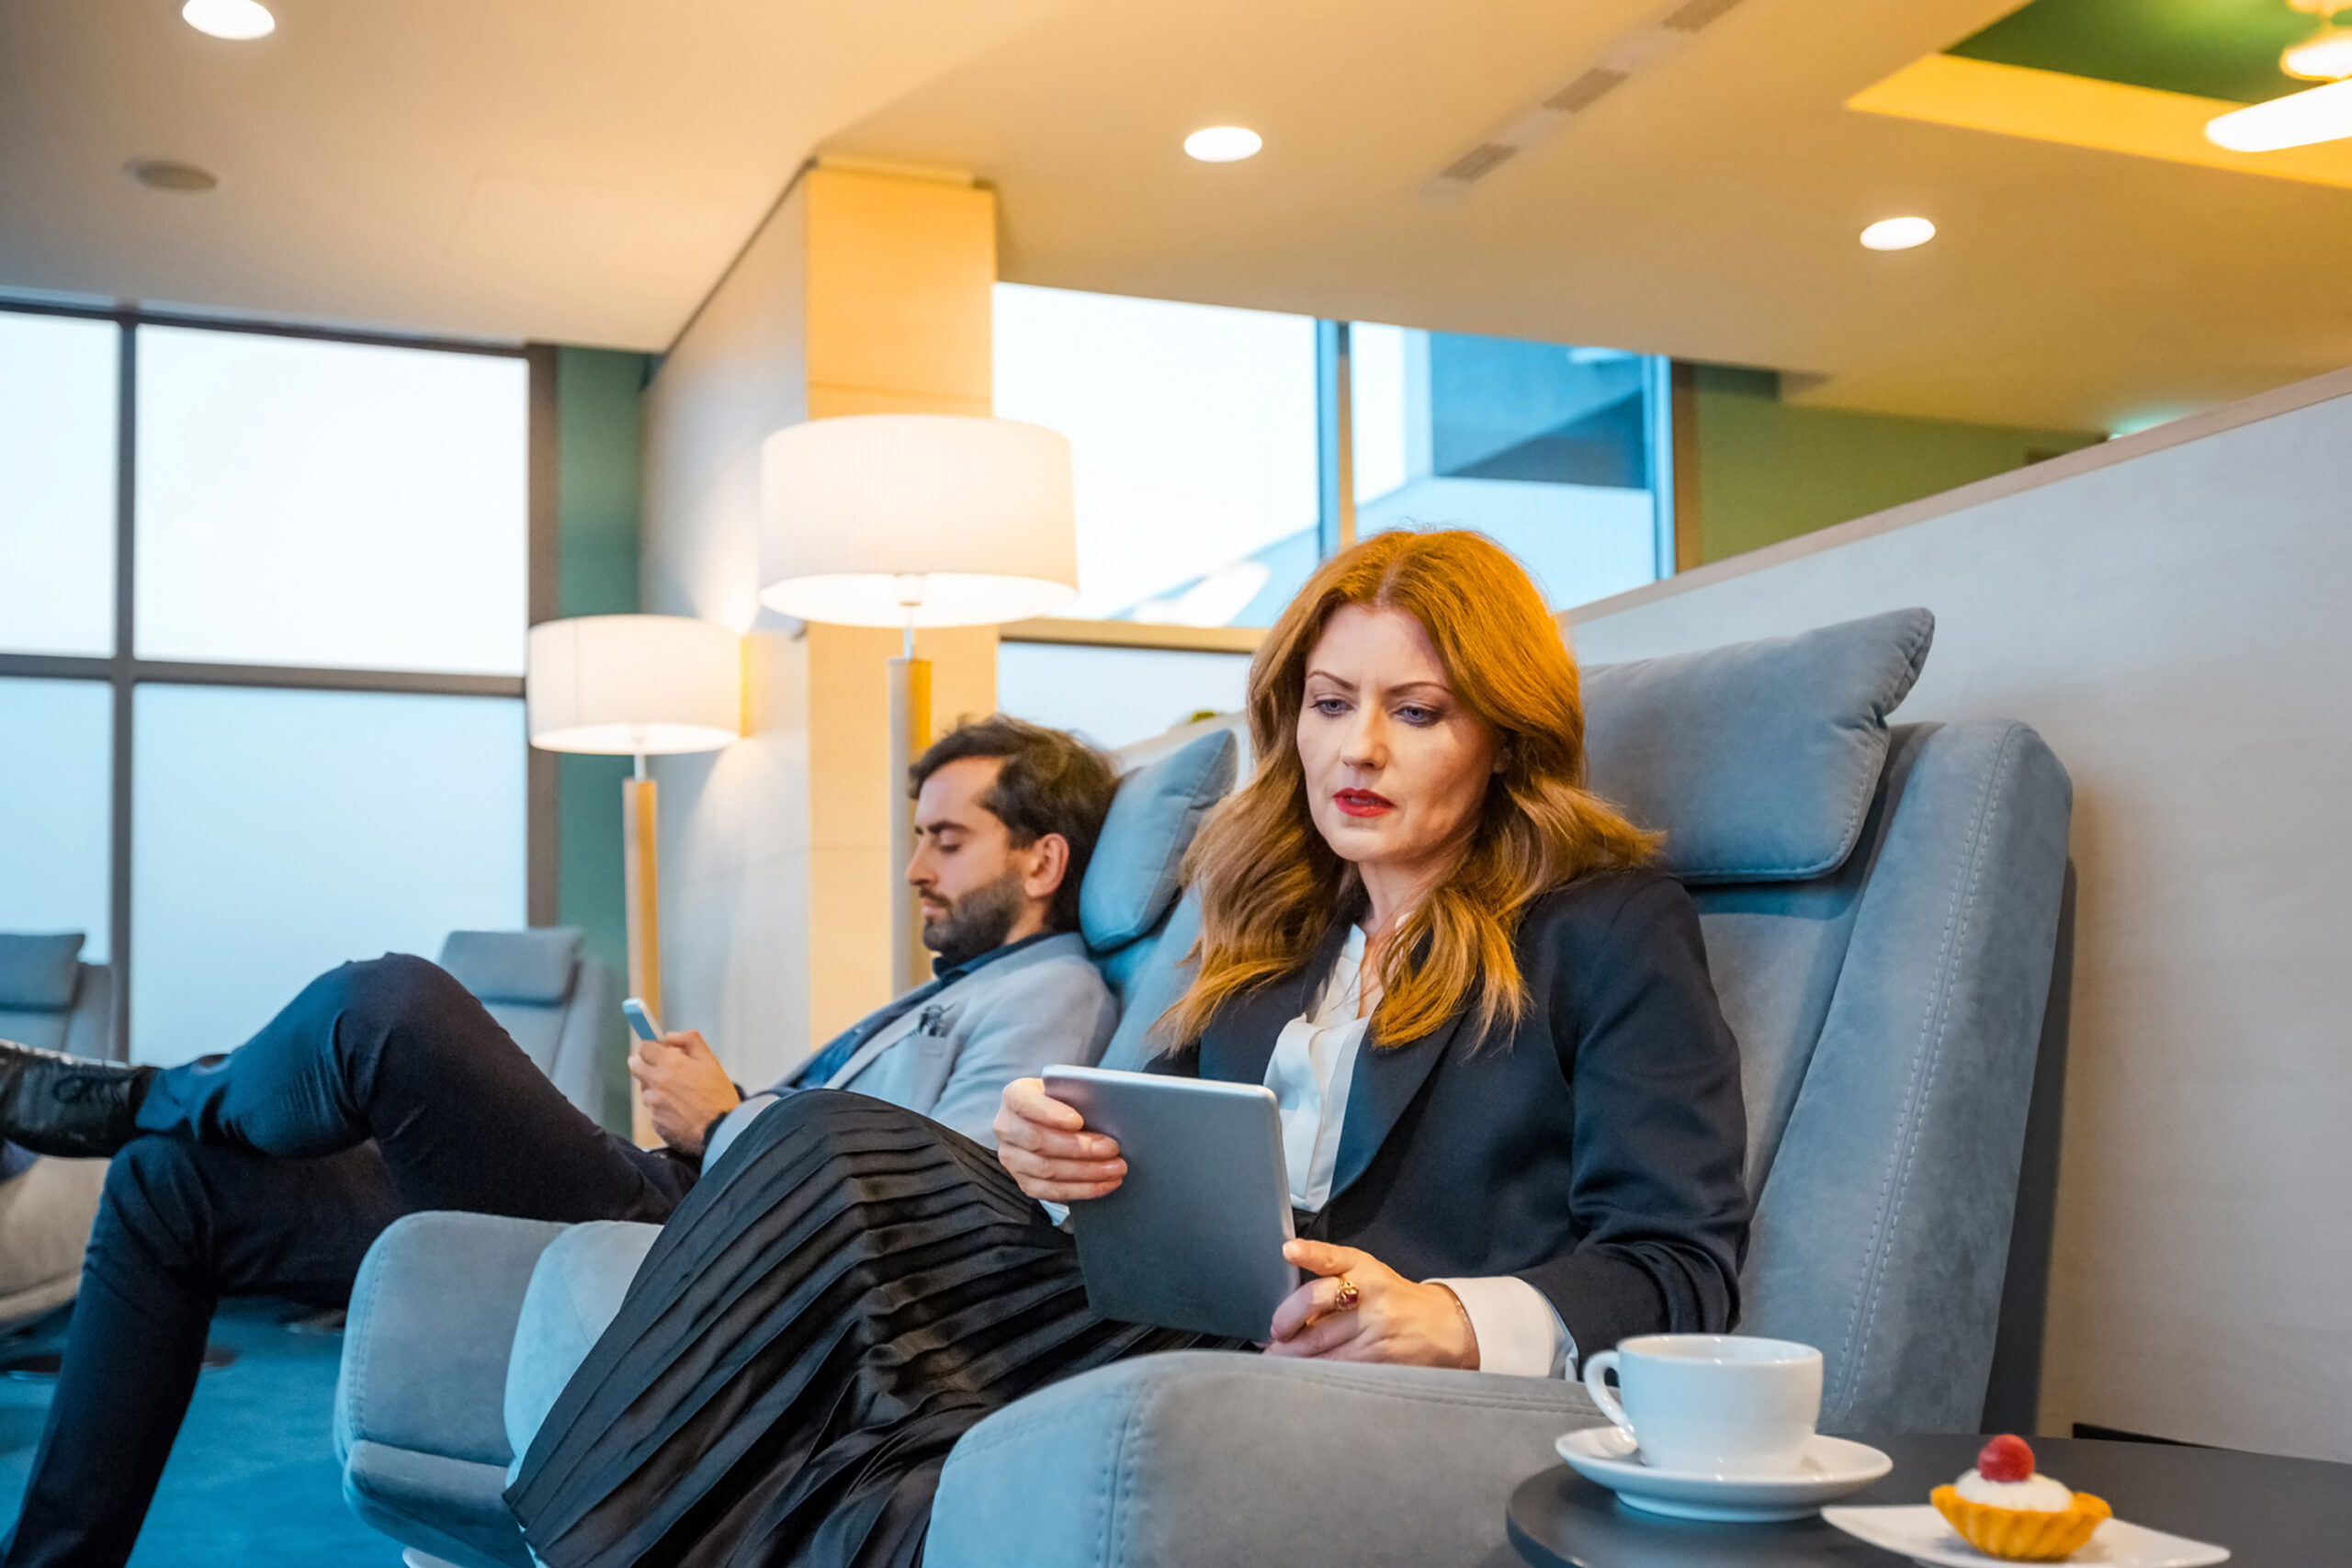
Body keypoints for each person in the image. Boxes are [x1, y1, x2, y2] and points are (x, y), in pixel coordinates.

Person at [505, 529, 1751, 1568]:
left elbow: (1679, 1264)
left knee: (826, 1205)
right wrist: (1065, 1159)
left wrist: (1447, 1316)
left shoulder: (1605, 925)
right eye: (1329, 702)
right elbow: (1180, 1177)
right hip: (1169, 1316)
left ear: (1501, 735)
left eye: (1415, 710)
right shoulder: (1274, 926)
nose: (1356, 748)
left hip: (1345, 1363)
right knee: (817, 1151)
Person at [0, 716, 1124, 1568]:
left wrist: (727, 1113)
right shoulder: (954, 992)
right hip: (687, 1196)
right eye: (917, 839)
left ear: (1041, 862)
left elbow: (944, 1214)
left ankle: (131, 1094)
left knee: (388, 1008)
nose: (918, 868)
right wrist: (722, 1116)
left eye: (947, 841)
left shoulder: (1051, 998)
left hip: (717, 1260)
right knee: (168, 1189)